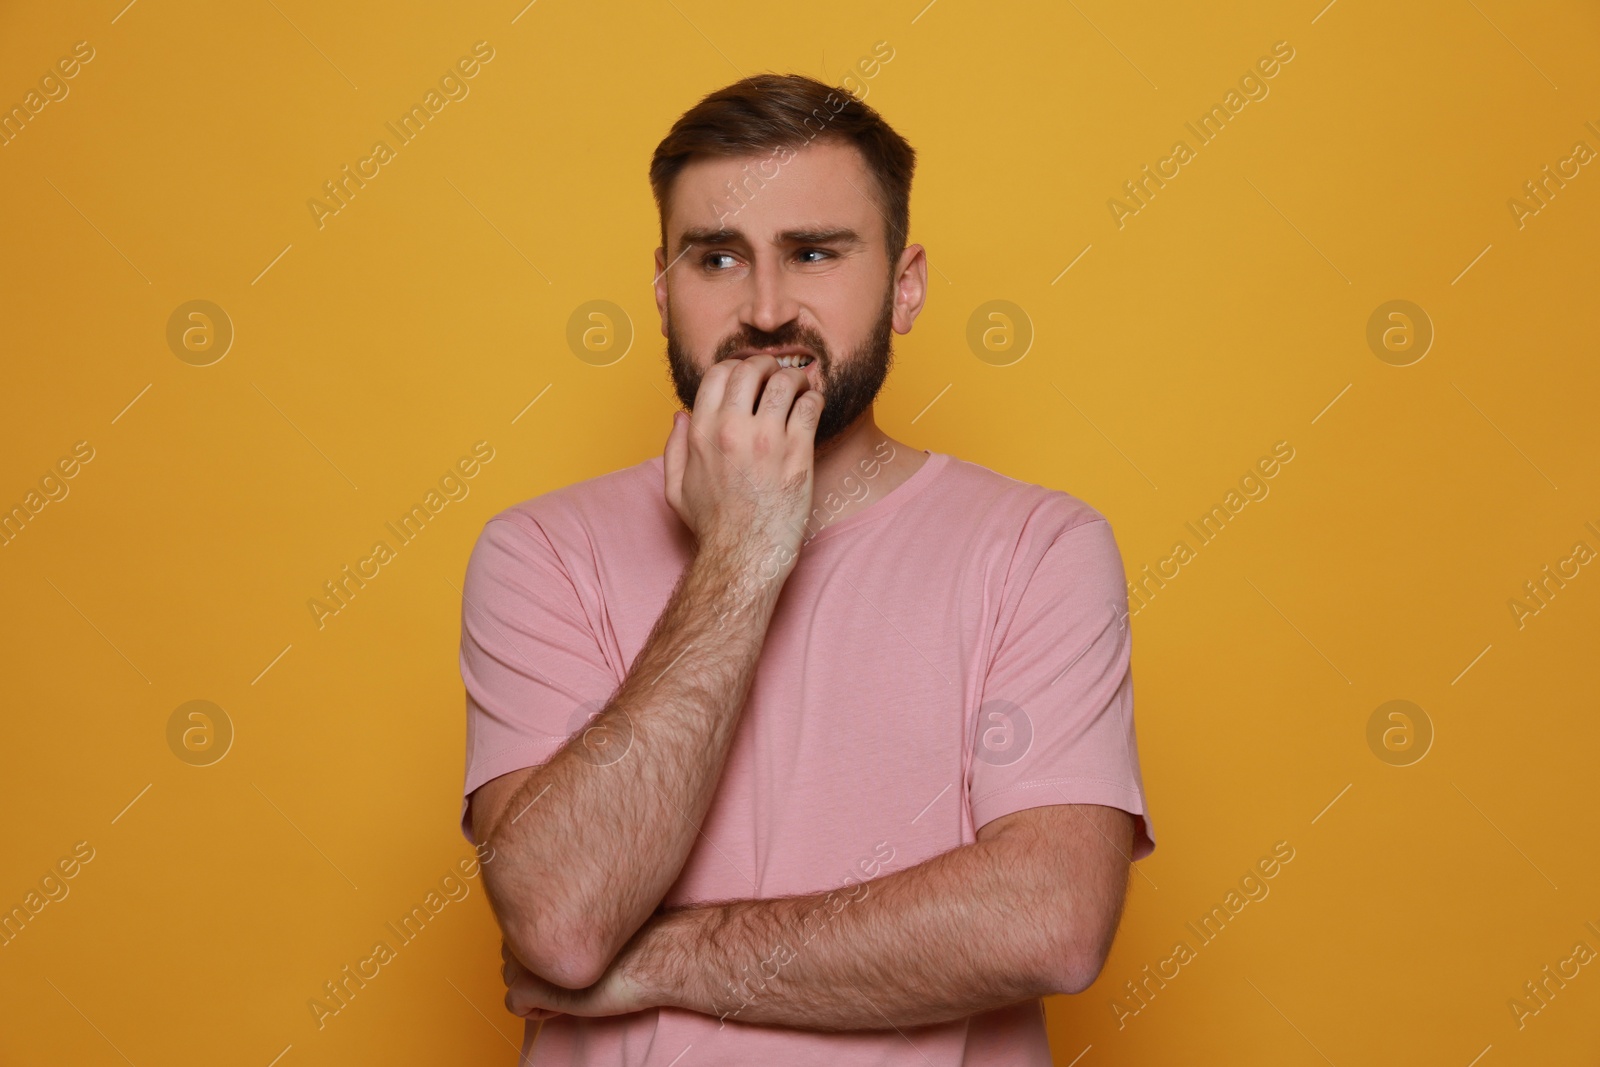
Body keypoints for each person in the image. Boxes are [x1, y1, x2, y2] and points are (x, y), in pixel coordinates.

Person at [456, 71, 1156, 1066]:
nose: (767, 308)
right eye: (718, 257)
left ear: (903, 284)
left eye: (815, 252)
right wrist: (742, 546)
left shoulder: (1039, 548)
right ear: (662, 287)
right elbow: (562, 921)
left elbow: (1050, 919)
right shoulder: (539, 554)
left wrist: (652, 961)